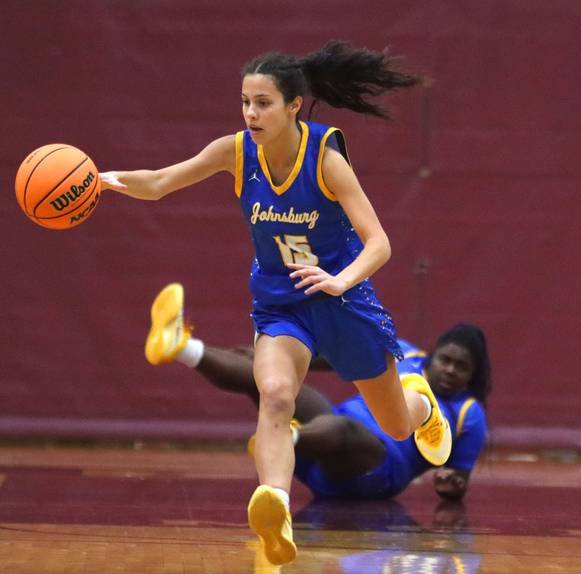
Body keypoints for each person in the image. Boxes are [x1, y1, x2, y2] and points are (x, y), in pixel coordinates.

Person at [99, 41, 452, 566]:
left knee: (398, 427)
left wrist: (339, 280)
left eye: (263, 103)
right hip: (281, 304)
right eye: (245, 102)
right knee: (276, 396)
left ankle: (421, 401)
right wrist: (102, 182)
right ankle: (277, 509)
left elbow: (379, 243)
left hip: (342, 299)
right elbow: (159, 183)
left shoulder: (326, 161)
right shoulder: (236, 152)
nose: (250, 113)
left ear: (293, 106)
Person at [145, 282, 490, 502]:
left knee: (343, 429)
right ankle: (181, 346)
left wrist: (451, 484)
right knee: (269, 381)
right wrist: (276, 355)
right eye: (446, 360)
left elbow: (457, 483)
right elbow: (330, 354)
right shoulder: (404, 354)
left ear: (472, 375)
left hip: (371, 471)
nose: (450, 370)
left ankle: (286, 438)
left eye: (461, 367)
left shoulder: (469, 413)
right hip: (324, 440)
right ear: (434, 353)